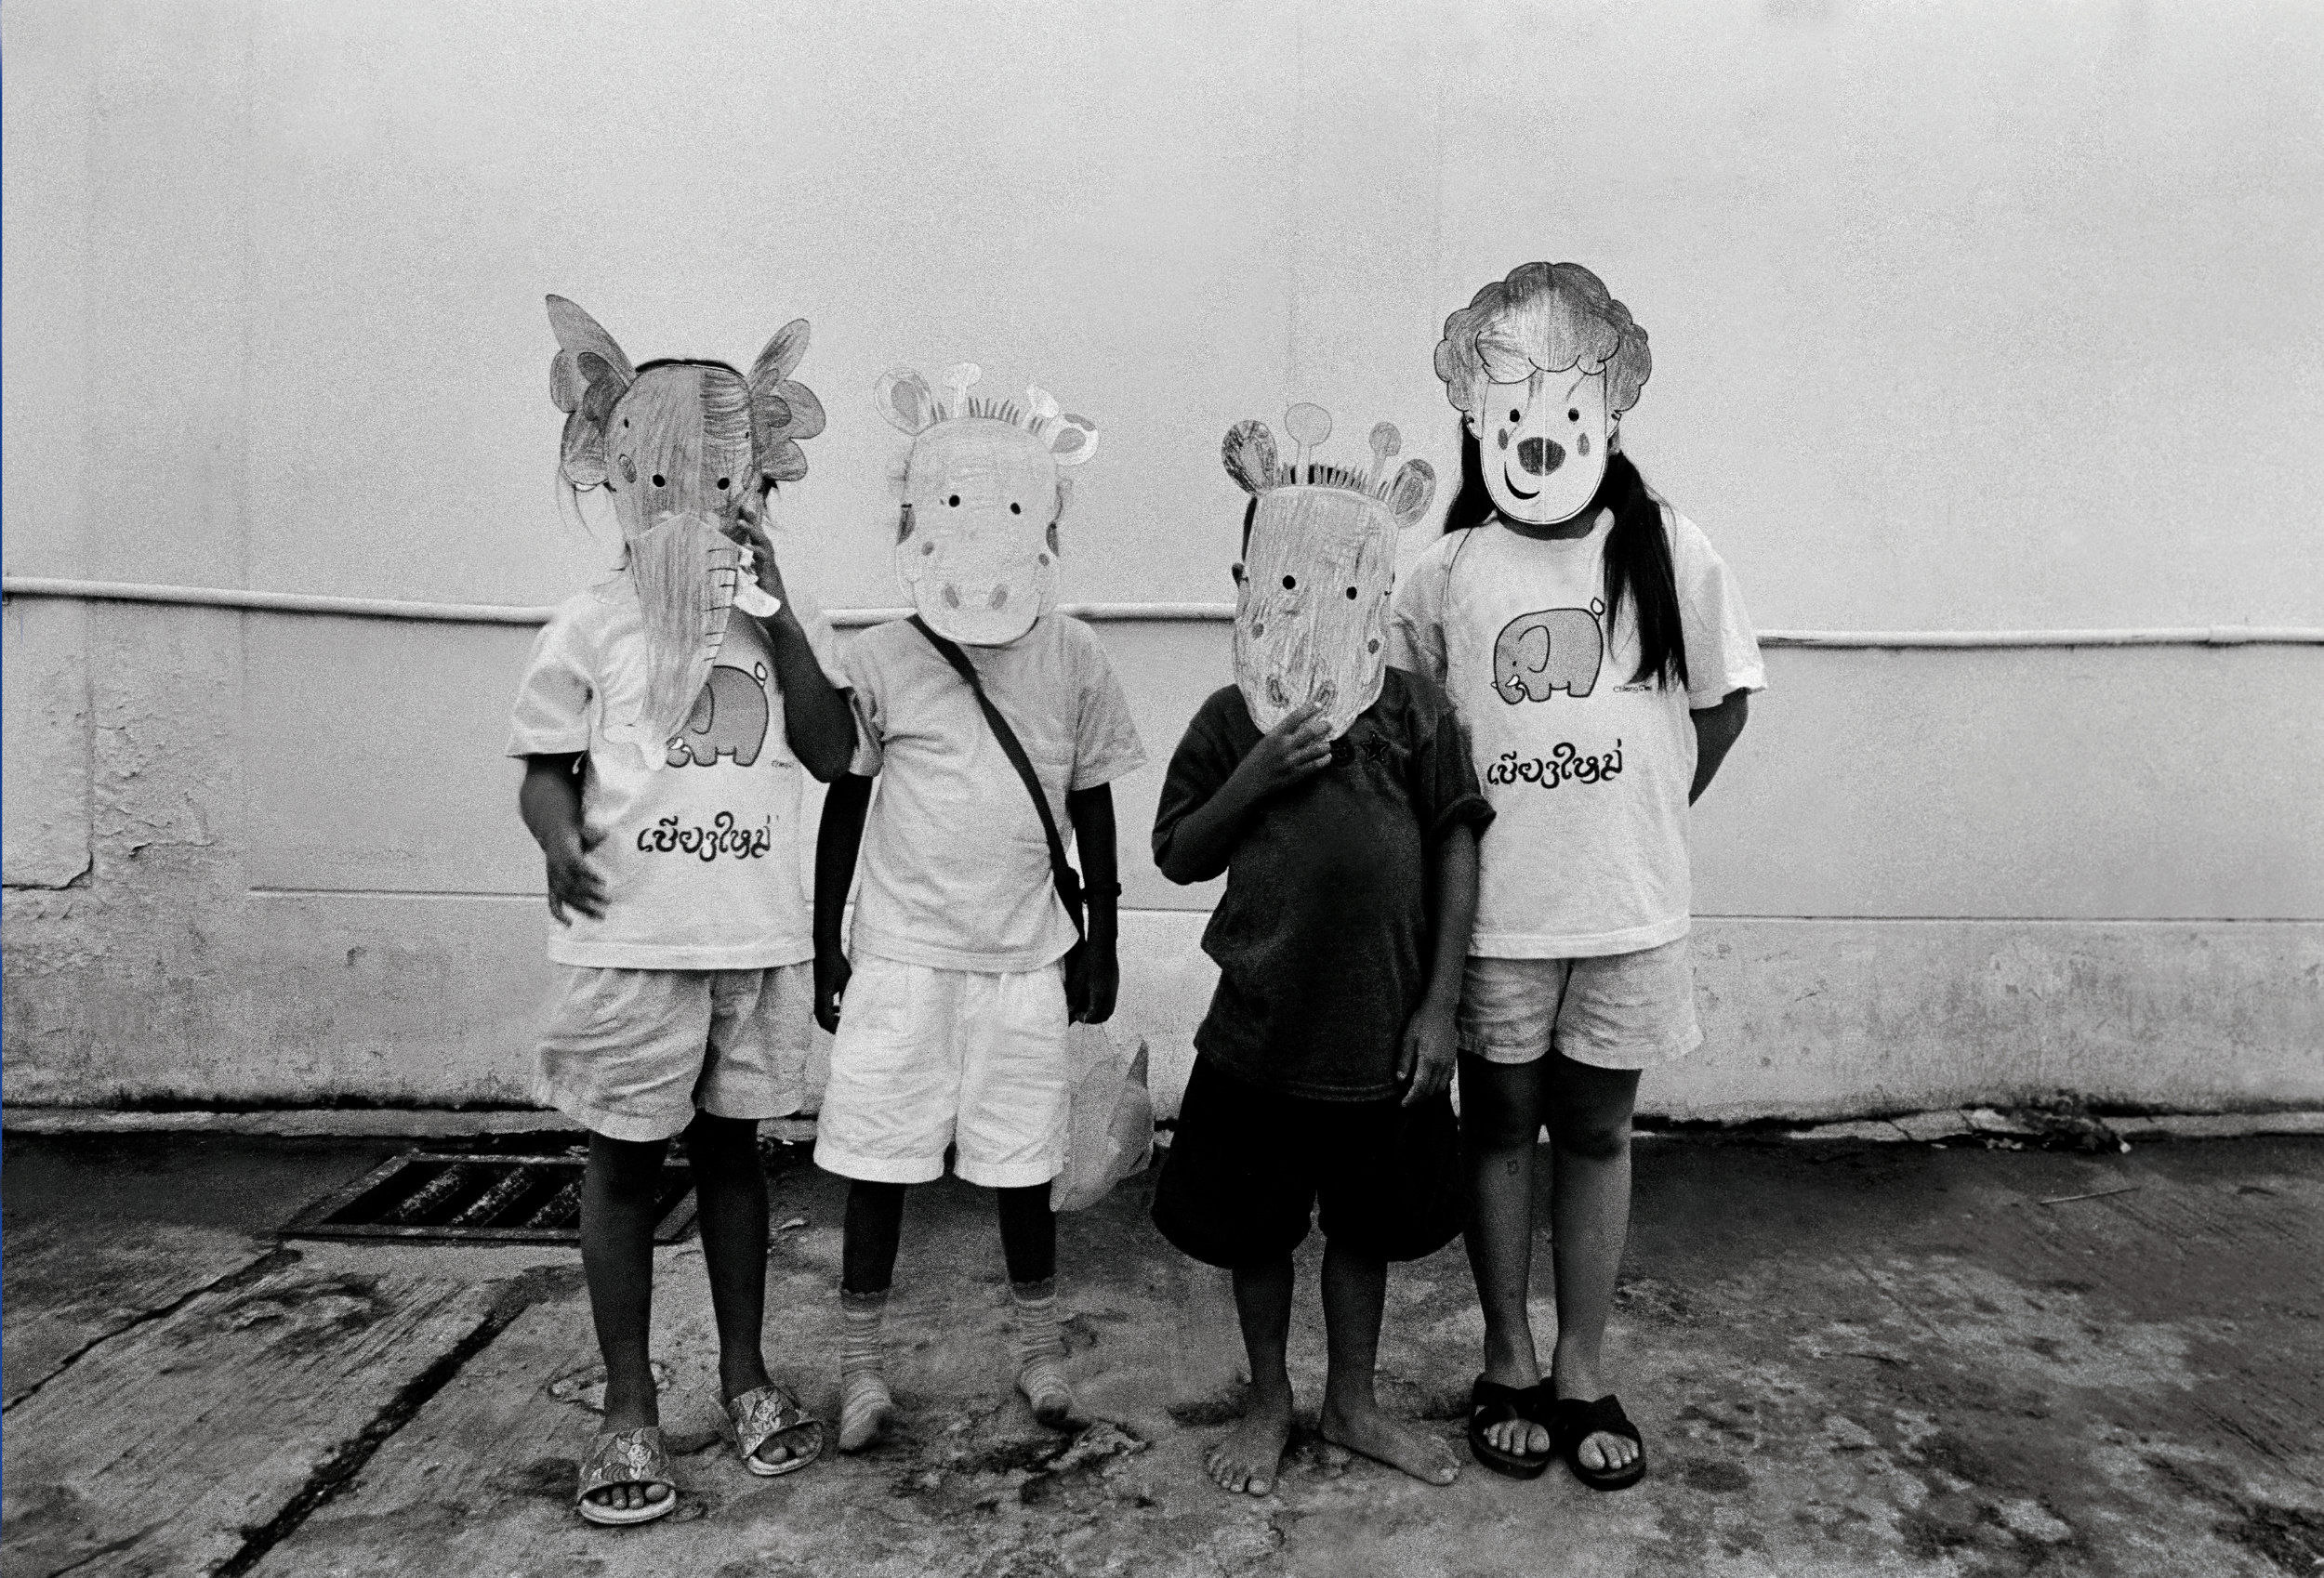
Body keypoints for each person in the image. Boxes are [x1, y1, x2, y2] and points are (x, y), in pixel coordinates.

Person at [1393, 261, 1763, 1490]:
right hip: (1497, 921)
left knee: (1599, 1129)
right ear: (1478, 423)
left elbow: (1716, 711)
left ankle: (1584, 1363)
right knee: (1497, 1125)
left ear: (1606, 411)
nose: (1538, 436)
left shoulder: (1671, 549)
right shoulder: (1443, 572)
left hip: (1625, 913)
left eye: (1564, 406)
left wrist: (1637, 818)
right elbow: (1408, 741)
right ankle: (1506, 1349)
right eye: (1512, 413)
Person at [513, 301, 853, 1524]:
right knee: (619, 1167)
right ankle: (627, 1404)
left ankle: (747, 1377)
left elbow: (828, 748)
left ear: (750, 484)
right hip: (636, 946)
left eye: (720, 481)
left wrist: (783, 613)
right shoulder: (590, 622)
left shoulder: (764, 624)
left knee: (736, 1161)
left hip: (749, 944)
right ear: (614, 475)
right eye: (662, 478)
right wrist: (559, 839)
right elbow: (545, 766)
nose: (691, 502)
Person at [812, 366, 1143, 1452]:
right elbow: (844, 808)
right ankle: (861, 1371)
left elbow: (1090, 802)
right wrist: (828, 941)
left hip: (1025, 961)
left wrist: (1099, 938)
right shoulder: (880, 656)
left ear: (1043, 519)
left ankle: (1037, 1351)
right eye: (954, 503)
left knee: (1022, 1165)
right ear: (916, 515)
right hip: (902, 958)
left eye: (1009, 505)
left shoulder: (1076, 653)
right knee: (876, 1163)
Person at [1150, 459, 1493, 1498]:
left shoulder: (1416, 713)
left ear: (1379, 595)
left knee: (1367, 1229)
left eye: (1349, 587)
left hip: (1381, 1037)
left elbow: (1457, 845)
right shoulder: (1228, 717)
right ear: (1247, 581)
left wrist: (1439, 1009)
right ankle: (1268, 1399)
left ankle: (1351, 1400)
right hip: (1258, 1034)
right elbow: (1177, 853)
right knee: (1256, 1228)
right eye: (1289, 582)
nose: (1321, 607)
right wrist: (1253, 777)